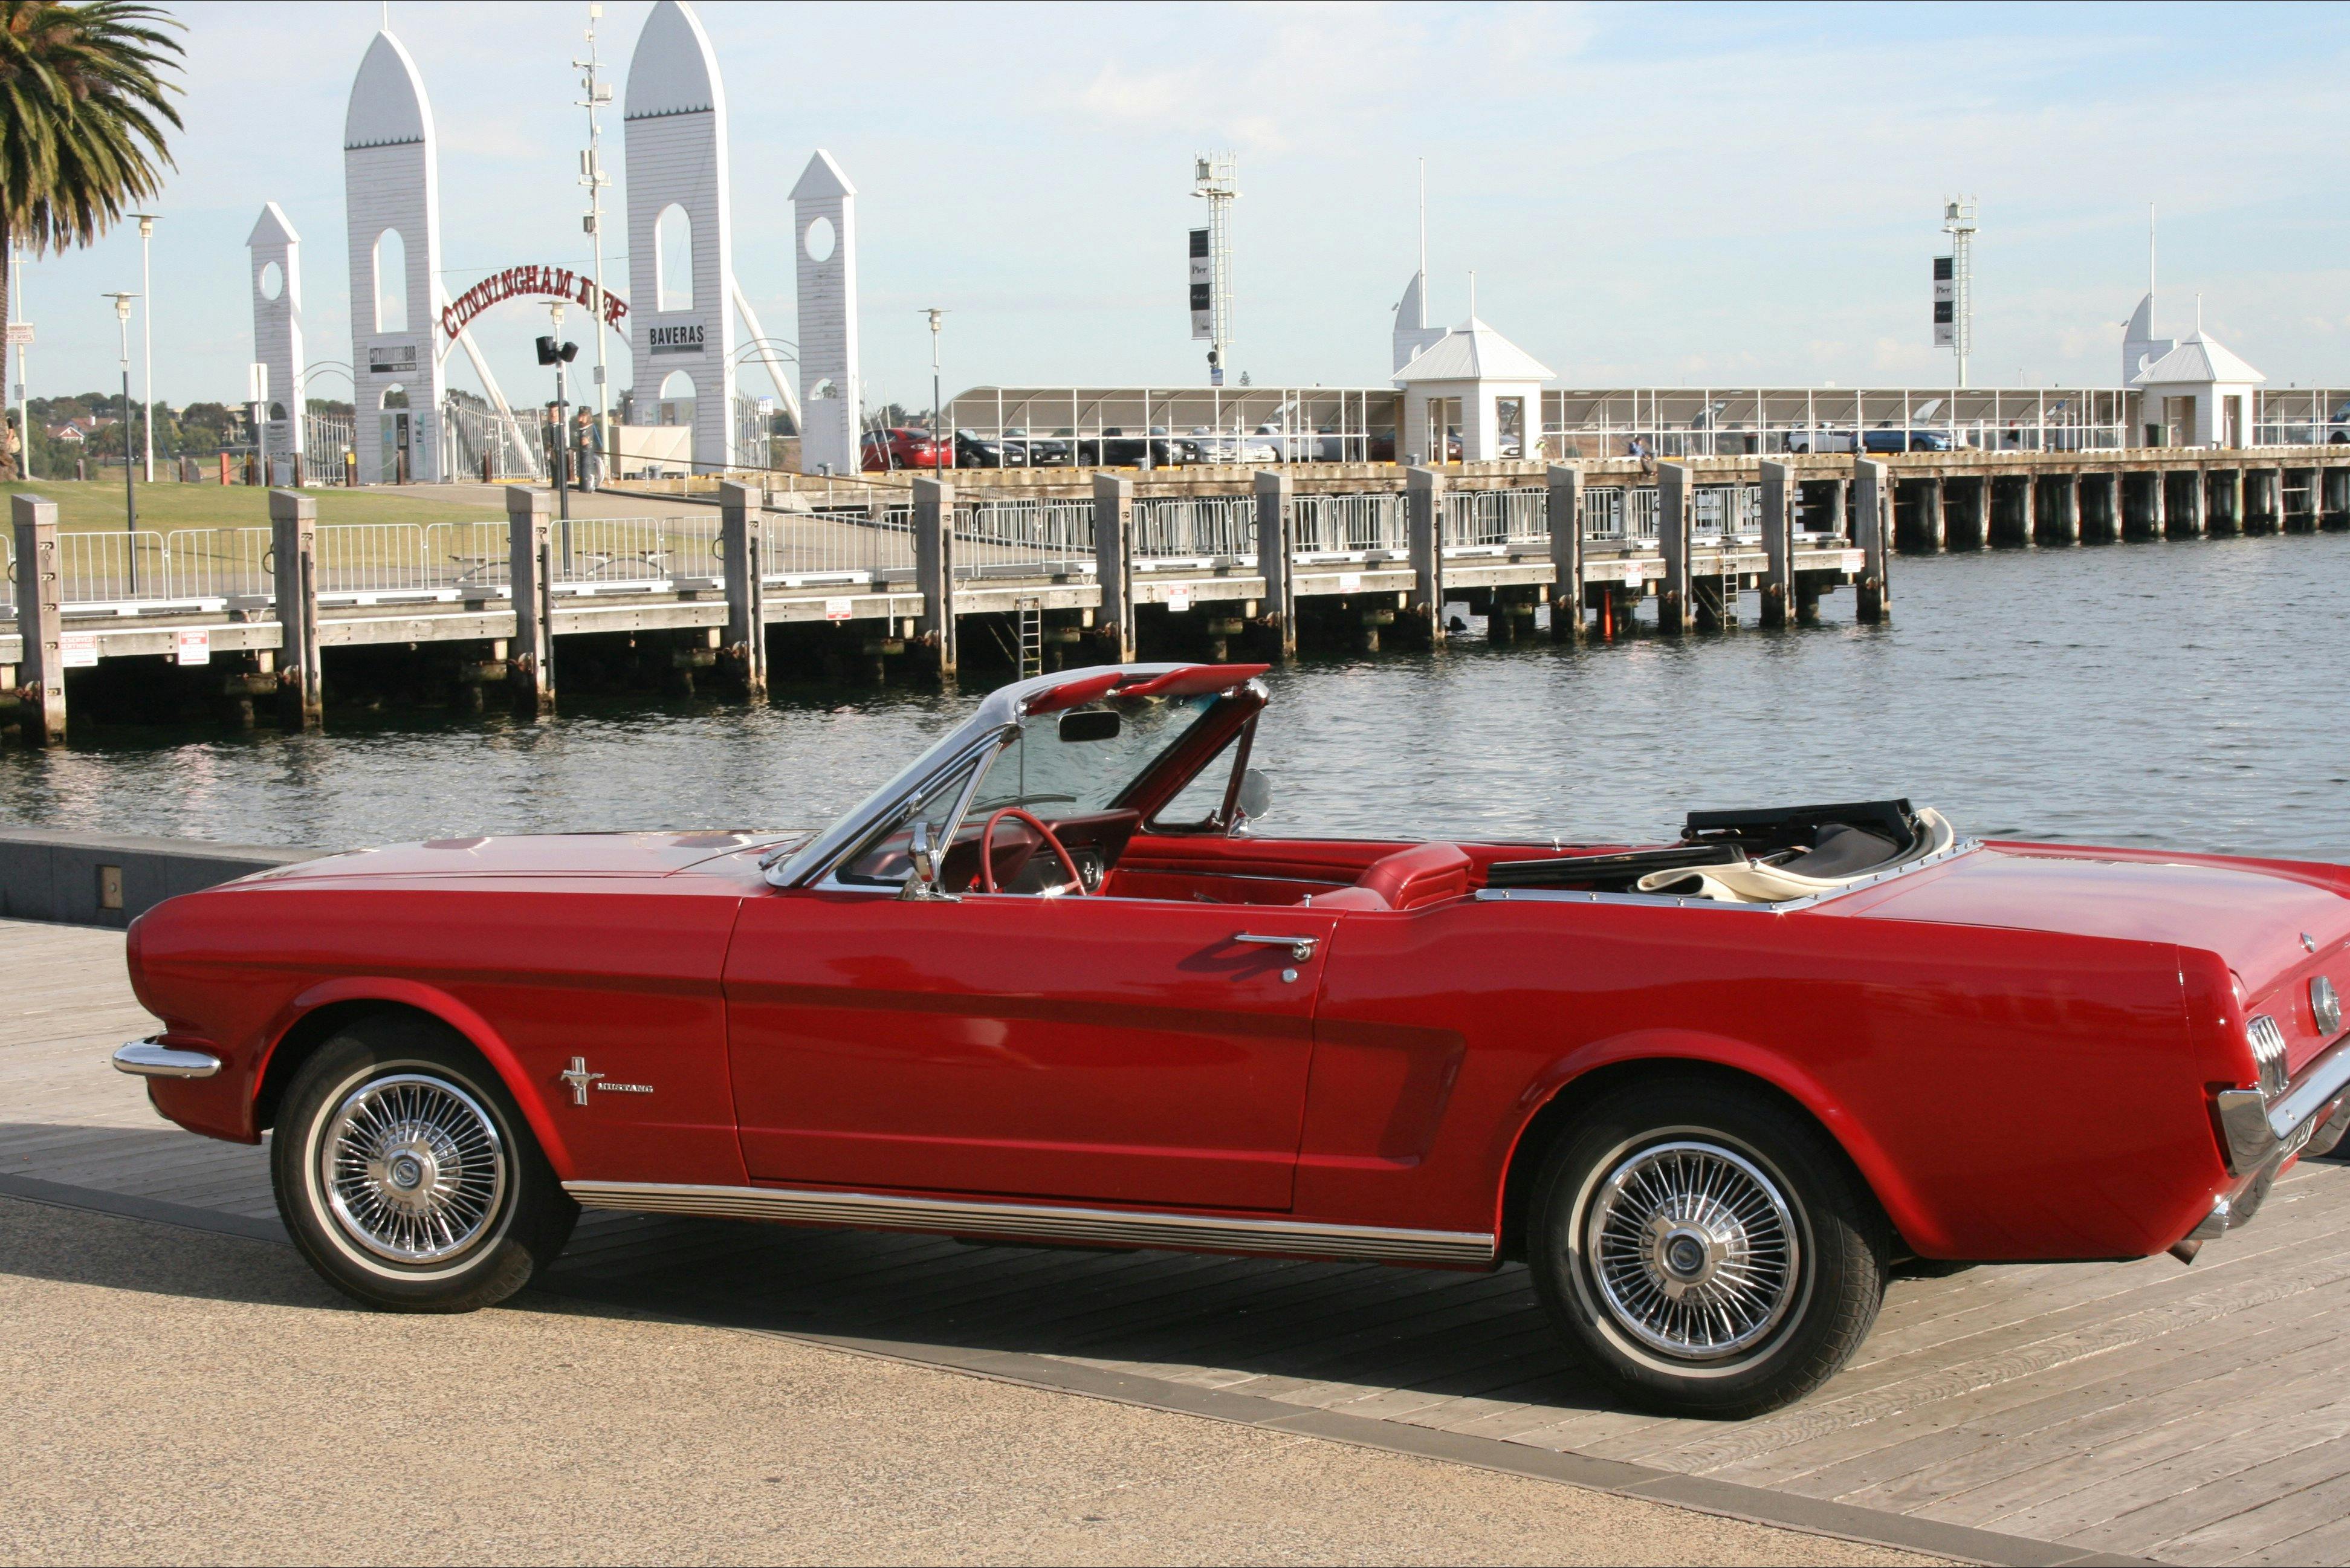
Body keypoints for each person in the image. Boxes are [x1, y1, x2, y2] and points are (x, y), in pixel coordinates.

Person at [571, 409, 601, 492]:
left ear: (589, 417)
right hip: (583, 458)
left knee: (586, 471)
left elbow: (589, 443)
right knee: (584, 471)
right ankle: (586, 486)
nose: (580, 420)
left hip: (587, 459)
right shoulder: (582, 430)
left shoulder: (589, 430)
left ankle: (589, 485)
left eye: (583, 417)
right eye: (579, 417)